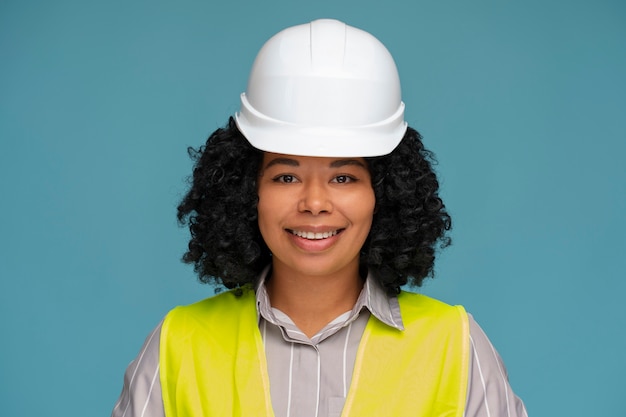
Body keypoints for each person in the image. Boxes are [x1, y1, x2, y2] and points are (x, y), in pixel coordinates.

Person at [111, 19, 528, 417]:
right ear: (246, 191)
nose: (314, 203)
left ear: (383, 194)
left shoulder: (455, 346)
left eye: (343, 177)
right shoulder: (178, 345)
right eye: (286, 176)